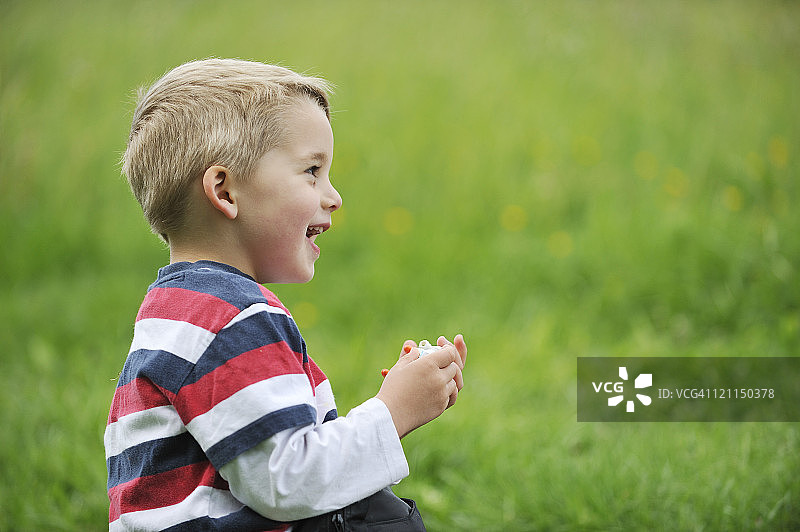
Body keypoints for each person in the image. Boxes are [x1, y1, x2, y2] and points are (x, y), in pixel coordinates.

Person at [104, 58, 468, 531]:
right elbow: (285, 481)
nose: (333, 195)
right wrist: (393, 410)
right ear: (225, 192)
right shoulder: (233, 320)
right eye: (312, 171)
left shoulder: (176, 311)